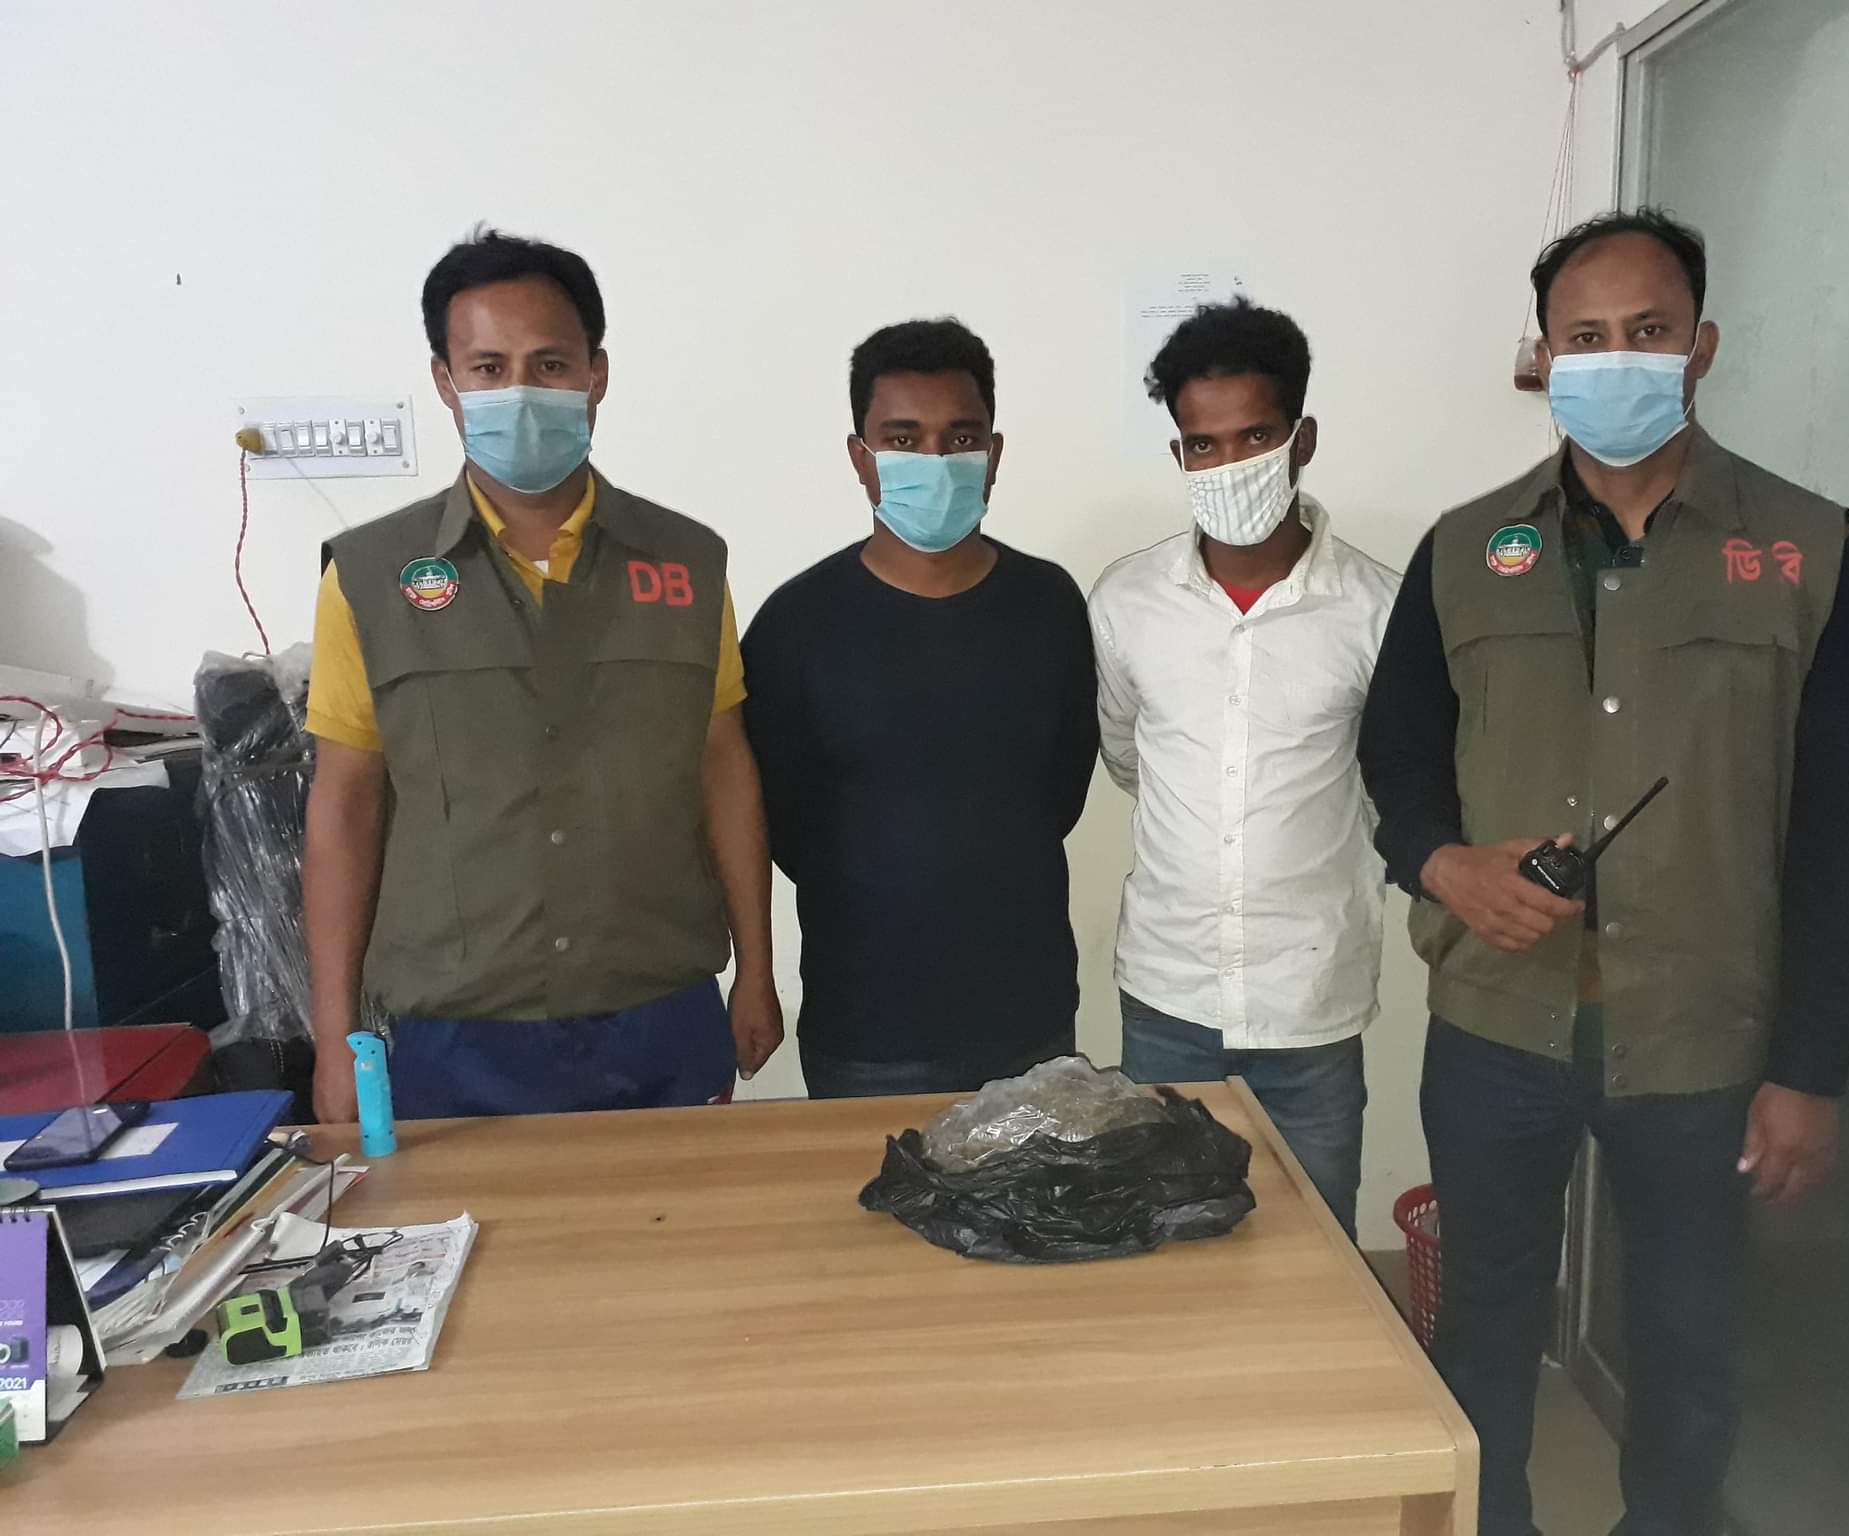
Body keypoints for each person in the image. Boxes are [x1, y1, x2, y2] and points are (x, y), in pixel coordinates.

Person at [1360, 208, 1849, 1536]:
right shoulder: (1465, 548)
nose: (1613, 360)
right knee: (1483, 1326)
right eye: (1583, 337)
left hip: (1704, 1038)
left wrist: (1810, 1068)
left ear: (1699, 347)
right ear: (1543, 357)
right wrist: (1440, 865)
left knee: (1690, 1341)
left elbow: (1848, 831)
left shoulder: (1804, 548)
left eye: (1645, 331)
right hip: (1498, 1025)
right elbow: (1397, 753)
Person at [303, 228, 782, 1122]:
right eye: (488, 368)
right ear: (445, 382)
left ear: (596, 375)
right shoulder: (370, 577)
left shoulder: (686, 562)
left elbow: (723, 765)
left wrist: (758, 968)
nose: (520, 393)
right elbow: (345, 805)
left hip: (658, 1007)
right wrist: (335, 1039)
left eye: (550, 364)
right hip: (453, 1026)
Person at [1089, 298, 1400, 1241]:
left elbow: (1391, 784)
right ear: (1179, 454)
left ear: (1302, 439)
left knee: (1317, 1246)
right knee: (1168, 1250)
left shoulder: (1377, 610)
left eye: (1254, 436)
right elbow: (1128, 753)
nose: (1228, 465)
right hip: (1169, 996)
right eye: (1203, 444)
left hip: (1312, 1005)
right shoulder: (1127, 602)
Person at [742, 319, 1097, 1098]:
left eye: (959, 438)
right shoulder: (797, 624)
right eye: (903, 440)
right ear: (860, 457)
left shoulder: (1050, 605)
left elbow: (1062, 790)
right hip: (864, 1030)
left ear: (993, 455)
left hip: (1030, 1022)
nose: (934, 462)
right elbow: (779, 826)